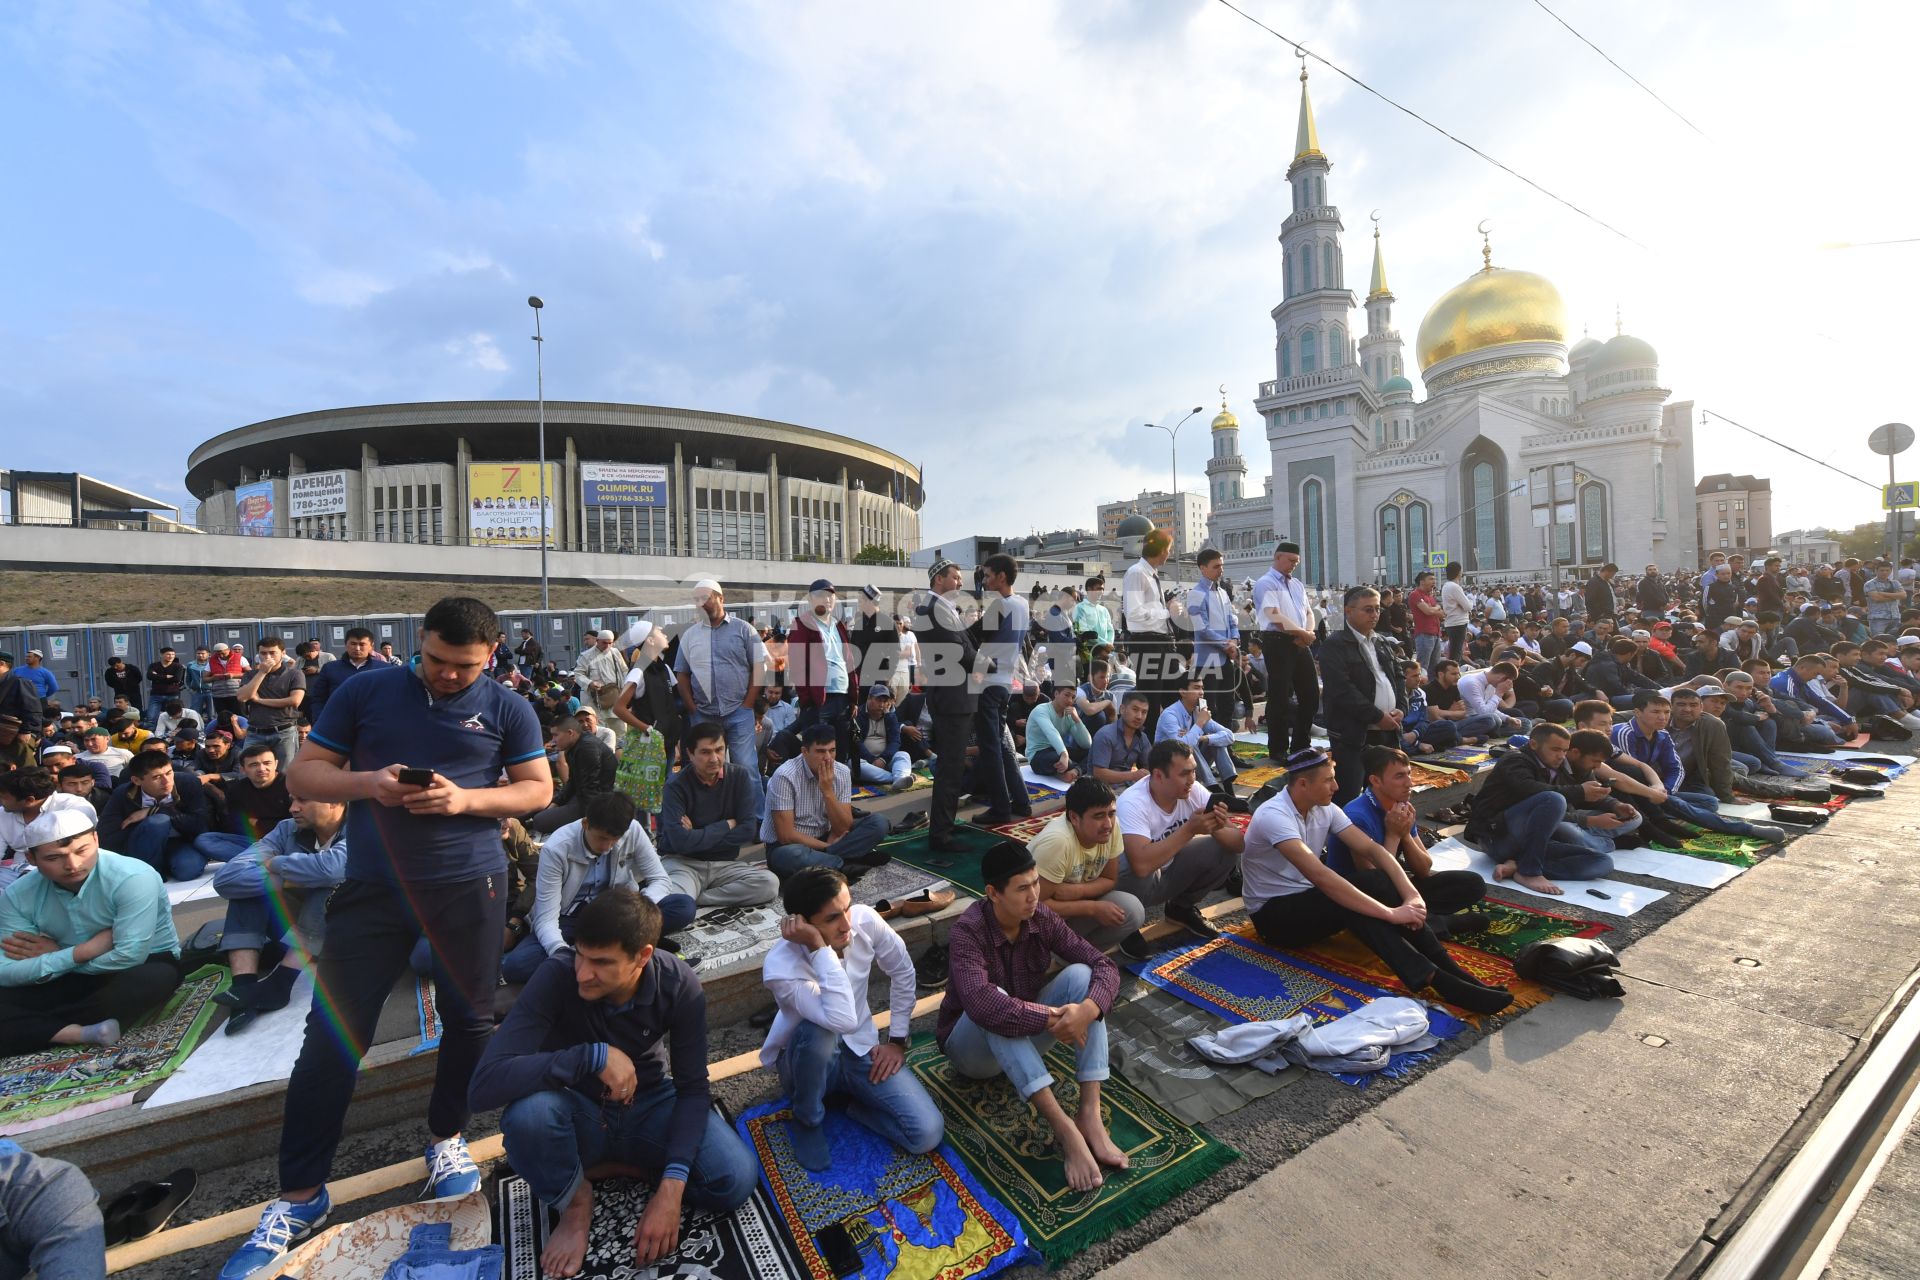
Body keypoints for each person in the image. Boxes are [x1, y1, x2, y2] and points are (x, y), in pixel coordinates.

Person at [219, 597, 552, 1280]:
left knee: (470, 1020)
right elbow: (304, 773)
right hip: (373, 888)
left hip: (469, 887)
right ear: (417, 643)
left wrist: (465, 800)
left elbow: (537, 789)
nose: (447, 676)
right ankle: (300, 1195)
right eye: (435, 660)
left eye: (463, 666)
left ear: (489, 656)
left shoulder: (507, 706)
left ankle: (447, 1136)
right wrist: (368, 783)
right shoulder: (368, 690)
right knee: (333, 1037)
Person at [472, 890, 757, 1278]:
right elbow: (483, 1086)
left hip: (649, 1103)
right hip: (578, 1110)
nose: (582, 973)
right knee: (529, 1116)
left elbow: (692, 1089)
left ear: (642, 956)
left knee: (735, 1180)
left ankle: (617, 1166)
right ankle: (576, 1202)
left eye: (601, 962)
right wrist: (590, 1057)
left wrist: (670, 1191)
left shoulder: (678, 983)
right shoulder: (557, 975)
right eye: (580, 954)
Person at [1243, 749, 1510, 1013]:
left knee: (1372, 885)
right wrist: (1391, 914)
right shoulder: (1274, 816)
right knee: (1354, 901)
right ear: (1303, 784)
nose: (1336, 786)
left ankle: (1450, 972)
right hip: (1274, 918)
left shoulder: (1324, 809)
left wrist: (1411, 896)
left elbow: (1375, 851)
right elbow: (1322, 877)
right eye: (1328, 780)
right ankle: (1438, 979)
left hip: (1309, 902)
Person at [938, 841, 1127, 1192]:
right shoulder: (968, 931)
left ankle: (1089, 1112)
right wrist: (1053, 1017)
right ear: (993, 893)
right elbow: (981, 1005)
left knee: (1083, 977)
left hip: (1027, 1033)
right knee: (995, 1002)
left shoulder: (1041, 917)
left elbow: (1103, 965)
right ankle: (1066, 1130)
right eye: (1022, 888)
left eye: (1036, 883)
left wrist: (1086, 1010)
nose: (1034, 895)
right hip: (970, 1052)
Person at [760, 868, 943, 1169]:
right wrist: (819, 949)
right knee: (820, 1032)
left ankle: (850, 1105)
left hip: (860, 1050)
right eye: (832, 918)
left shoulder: (863, 920)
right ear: (803, 924)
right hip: (806, 1063)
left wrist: (897, 1039)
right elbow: (841, 1019)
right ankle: (807, 1119)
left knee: (926, 1133)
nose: (847, 924)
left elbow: (902, 970)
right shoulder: (781, 967)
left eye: (846, 908)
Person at [0, 806, 182, 1055]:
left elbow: (130, 955)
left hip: (134, 968)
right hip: (66, 973)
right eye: (54, 858)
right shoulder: (17, 895)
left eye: (82, 850)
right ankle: (75, 1033)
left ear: (96, 840)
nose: (72, 865)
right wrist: (79, 953)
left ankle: (31, 1028)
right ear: (31, 859)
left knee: (155, 979)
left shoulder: (133, 877)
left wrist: (60, 955)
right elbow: (6, 971)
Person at [505, 792, 695, 984]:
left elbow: (660, 879)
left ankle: (614, 945)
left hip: (617, 915)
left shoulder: (633, 831)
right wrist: (562, 953)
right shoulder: (557, 848)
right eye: (603, 838)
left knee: (683, 906)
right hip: (569, 919)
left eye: (615, 839)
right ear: (585, 824)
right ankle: (623, 947)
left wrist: (637, 910)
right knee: (517, 966)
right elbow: (546, 918)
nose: (608, 846)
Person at [211, 787, 350, 1033]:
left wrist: (276, 864)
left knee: (337, 885)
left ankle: (281, 981)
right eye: (292, 800)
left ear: (334, 800)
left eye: (303, 799)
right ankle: (244, 989)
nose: (293, 808)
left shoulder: (362, 826)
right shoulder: (287, 828)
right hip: (296, 929)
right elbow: (227, 878)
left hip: (347, 930)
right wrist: (292, 879)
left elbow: (333, 871)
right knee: (245, 891)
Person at [1340, 746, 1488, 937]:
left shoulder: (1400, 805)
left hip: (1394, 886)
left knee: (1473, 883)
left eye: (1409, 774)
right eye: (1399, 776)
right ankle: (1436, 923)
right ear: (1375, 781)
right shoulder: (1356, 815)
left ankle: (1421, 919)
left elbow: (1424, 869)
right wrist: (1393, 835)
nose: (1409, 783)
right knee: (1383, 894)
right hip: (1360, 896)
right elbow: (1376, 881)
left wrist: (1405, 835)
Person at [1610, 692, 1786, 844]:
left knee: (1708, 802)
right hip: (1629, 790)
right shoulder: (1624, 732)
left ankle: (1665, 809)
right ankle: (1746, 829)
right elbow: (1631, 774)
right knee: (1683, 806)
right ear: (1638, 713)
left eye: (1666, 712)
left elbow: (1676, 768)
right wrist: (1657, 794)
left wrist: (1667, 791)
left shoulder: (1662, 734)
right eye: (1655, 712)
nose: (1662, 717)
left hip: (1653, 788)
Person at [1464, 723, 1616, 895]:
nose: (1561, 756)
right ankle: (1530, 871)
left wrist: (1613, 804)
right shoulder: (1515, 759)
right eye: (1556, 749)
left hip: (1530, 843)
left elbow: (1559, 810)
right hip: (1497, 837)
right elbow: (1528, 788)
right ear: (1534, 745)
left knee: (1602, 862)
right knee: (1554, 799)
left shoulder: (1553, 766)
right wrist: (1580, 793)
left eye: (1565, 751)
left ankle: (1518, 867)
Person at [1115, 740, 1243, 939]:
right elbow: (1140, 865)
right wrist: (1190, 829)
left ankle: (1180, 908)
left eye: (1193, 771)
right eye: (1184, 773)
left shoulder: (1193, 790)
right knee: (1134, 861)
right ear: (1158, 775)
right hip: (1136, 881)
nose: (1192, 779)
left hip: (1168, 872)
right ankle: (1125, 924)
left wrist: (1216, 825)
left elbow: (1238, 843)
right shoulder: (1132, 802)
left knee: (1224, 849)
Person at [655, 721, 778, 917]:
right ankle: (690, 896)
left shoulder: (739, 776)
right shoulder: (676, 785)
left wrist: (695, 835)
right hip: (684, 863)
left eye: (719, 750)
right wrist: (726, 825)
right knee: (670, 904)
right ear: (690, 753)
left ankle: (700, 897)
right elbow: (679, 842)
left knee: (769, 884)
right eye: (705, 752)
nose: (714, 758)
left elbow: (748, 830)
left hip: (725, 864)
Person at [1030, 777, 1148, 953]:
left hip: (1069, 907)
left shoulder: (1111, 828)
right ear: (1074, 818)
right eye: (1098, 816)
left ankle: (1073, 954)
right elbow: (1035, 907)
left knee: (1131, 909)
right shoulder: (1058, 842)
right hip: (1031, 922)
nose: (1108, 824)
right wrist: (1092, 908)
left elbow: (1110, 878)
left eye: (1111, 813)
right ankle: (1047, 953)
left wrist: (1077, 891)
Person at [674, 580, 771, 794]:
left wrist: (747, 704)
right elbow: (682, 673)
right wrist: (692, 708)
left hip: (738, 711)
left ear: (721, 598)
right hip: (703, 714)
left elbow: (759, 667)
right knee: (704, 770)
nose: (701, 603)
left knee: (745, 768)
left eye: (706, 598)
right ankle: (708, 817)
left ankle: (756, 821)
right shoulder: (690, 635)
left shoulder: (743, 629)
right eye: (697, 600)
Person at [762, 722, 890, 878]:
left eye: (832, 750)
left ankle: (831, 863)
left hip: (829, 837)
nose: (828, 758)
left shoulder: (841, 772)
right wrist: (827, 846)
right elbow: (786, 835)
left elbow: (844, 827)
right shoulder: (785, 776)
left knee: (879, 823)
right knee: (790, 855)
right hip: (791, 845)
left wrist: (828, 791)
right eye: (821, 752)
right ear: (804, 752)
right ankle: (844, 863)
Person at [913, 558, 980, 854]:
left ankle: (945, 828)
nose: (960, 583)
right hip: (952, 697)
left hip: (955, 695)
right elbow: (959, 650)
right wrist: (986, 663)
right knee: (950, 769)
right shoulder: (930, 609)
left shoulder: (942, 608)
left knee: (951, 768)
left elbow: (964, 643)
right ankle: (941, 836)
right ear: (939, 579)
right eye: (955, 577)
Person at [1317, 586, 1406, 804]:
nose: (1374, 615)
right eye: (1368, 610)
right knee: (1350, 793)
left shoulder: (1382, 641)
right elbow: (1342, 690)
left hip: (1387, 730)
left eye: (1377, 609)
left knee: (1388, 793)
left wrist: (1401, 709)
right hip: (1354, 733)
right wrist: (1377, 716)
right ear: (1348, 611)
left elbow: (1398, 677)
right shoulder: (1334, 645)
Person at [96, 748, 226, 882]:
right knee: (158, 822)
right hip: (142, 844)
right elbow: (106, 836)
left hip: (180, 841)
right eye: (156, 777)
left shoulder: (188, 782)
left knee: (188, 869)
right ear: (137, 780)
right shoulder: (123, 794)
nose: (166, 781)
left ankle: (166, 865)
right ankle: (149, 873)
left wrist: (155, 810)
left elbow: (200, 824)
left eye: (169, 773)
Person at [972, 554, 1033, 825]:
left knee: (991, 748)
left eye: (987, 575)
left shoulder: (1001, 605)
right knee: (1004, 746)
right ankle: (1021, 801)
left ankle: (1000, 806)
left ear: (1002, 577)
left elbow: (973, 634)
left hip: (989, 683)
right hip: (1006, 682)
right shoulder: (1021, 603)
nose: (984, 580)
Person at [1254, 542, 1318, 758]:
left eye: (1296, 562)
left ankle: (1301, 744)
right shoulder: (1266, 583)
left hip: (1300, 642)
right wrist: (1302, 634)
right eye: (1290, 561)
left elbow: (1308, 613)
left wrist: (1306, 634)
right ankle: (1278, 748)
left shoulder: (1297, 584)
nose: (1293, 565)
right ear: (1278, 557)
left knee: (1310, 694)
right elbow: (1275, 617)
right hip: (1278, 641)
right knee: (1280, 696)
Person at [788, 579, 857, 766]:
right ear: (811, 600)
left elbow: (848, 661)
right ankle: (815, 794)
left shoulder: (838, 625)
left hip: (842, 697)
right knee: (817, 753)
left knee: (841, 751)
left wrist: (853, 698)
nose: (827, 599)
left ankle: (838, 791)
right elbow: (796, 664)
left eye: (830, 595)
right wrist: (807, 700)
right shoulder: (802, 624)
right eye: (821, 595)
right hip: (818, 700)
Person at [197, 738, 295, 862]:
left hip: (287, 840)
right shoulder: (236, 790)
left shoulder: (292, 785)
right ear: (243, 770)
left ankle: (253, 860)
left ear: (275, 764)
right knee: (204, 840)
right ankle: (263, 860)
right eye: (254, 765)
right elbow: (241, 824)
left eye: (267, 763)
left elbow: (294, 823)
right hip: (256, 841)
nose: (261, 768)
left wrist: (259, 823)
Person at [1122, 530, 1179, 723]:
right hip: (1148, 643)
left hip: (1163, 641)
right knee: (1151, 702)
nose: (1169, 554)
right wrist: (1166, 612)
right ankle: (1149, 746)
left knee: (1172, 699)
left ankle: (1170, 744)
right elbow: (1133, 612)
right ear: (1161, 550)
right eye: (1169, 550)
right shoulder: (1137, 573)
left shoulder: (1151, 574)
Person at [530, 717, 618, 836]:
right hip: (580, 794)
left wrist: (591, 821)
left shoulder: (587, 748)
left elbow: (591, 789)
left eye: (556, 735)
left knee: (540, 821)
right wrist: (557, 802)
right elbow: (573, 781)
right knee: (535, 802)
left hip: (597, 801)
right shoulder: (573, 746)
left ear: (570, 733)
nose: (553, 741)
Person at [1186, 548, 1241, 723]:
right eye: (1216, 566)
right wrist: (1228, 645)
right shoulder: (1195, 594)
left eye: (1222, 566)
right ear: (1203, 568)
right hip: (1207, 661)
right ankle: (1208, 747)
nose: (1221, 570)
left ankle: (1225, 746)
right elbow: (1202, 628)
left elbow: (1232, 621)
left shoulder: (1223, 593)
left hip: (1226, 659)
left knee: (1228, 705)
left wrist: (1234, 640)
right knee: (1209, 708)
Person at [237, 638, 307, 767]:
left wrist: (259, 700)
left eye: (272, 652)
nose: (268, 657)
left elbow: (294, 700)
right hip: (255, 732)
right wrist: (262, 672)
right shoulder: (250, 675)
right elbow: (242, 697)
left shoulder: (295, 674)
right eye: (263, 653)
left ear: (283, 653)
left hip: (284, 731)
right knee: (250, 771)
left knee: (284, 773)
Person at [305, 628, 389, 724]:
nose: (357, 648)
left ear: (371, 646)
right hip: (339, 726)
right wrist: (319, 721)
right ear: (346, 645)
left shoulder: (384, 669)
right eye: (353, 644)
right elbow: (318, 698)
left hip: (374, 725)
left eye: (362, 644)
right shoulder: (330, 668)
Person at [851, 683, 916, 791]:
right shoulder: (857, 715)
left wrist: (883, 759)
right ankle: (897, 778)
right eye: (878, 700)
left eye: (885, 701)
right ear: (869, 698)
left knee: (903, 755)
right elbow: (857, 741)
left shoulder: (890, 716)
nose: (882, 704)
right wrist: (872, 760)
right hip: (866, 762)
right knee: (853, 764)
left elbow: (895, 741)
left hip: (886, 760)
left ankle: (899, 777)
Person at [1027, 680, 1091, 783]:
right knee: (1057, 758)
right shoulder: (1041, 710)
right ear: (1056, 694)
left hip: (1058, 750)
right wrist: (1064, 754)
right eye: (1067, 695)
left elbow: (1086, 743)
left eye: (1073, 697)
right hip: (1038, 756)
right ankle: (1076, 770)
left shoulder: (1069, 715)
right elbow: (1051, 732)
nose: (1070, 700)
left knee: (1092, 752)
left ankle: (1074, 771)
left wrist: (1077, 719)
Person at [1088, 690, 1153, 787]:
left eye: (1144, 712)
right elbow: (1099, 774)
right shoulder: (1106, 734)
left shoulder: (1143, 738)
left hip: (1128, 788)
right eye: (1135, 710)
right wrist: (1133, 775)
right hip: (1100, 789)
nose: (1139, 716)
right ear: (1122, 709)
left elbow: (1149, 766)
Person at [1439, 561, 1473, 662]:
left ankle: (1452, 672)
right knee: (1456, 652)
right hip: (1458, 622)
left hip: (1451, 622)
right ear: (1458, 572)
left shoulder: (1446, 586)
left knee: (1454, 650)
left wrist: (1462, 604)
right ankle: (1453, 673)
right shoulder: (1454, 587)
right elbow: (1468, 606)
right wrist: (1469, 602)